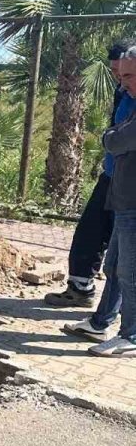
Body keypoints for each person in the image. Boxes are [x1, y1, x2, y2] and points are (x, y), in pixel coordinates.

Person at [63, 46, 136, 357]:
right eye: (119, 75)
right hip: (123, 195)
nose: (122, 83)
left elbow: (117, 140)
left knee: (130, 271)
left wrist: (113, 136)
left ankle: (131, 335)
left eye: (129, 75)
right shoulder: (130, 100)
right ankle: (102, 321)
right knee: (116, 265)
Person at [46, 43, 131, 307]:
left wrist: (112, 140)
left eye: (125, 72)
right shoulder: (124, 91)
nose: (119, 77)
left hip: (127, 181)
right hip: (112, 173)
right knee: (91, 232)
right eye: (115, 71)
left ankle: (114, 317)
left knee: (122, 251)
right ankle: (81, 288)